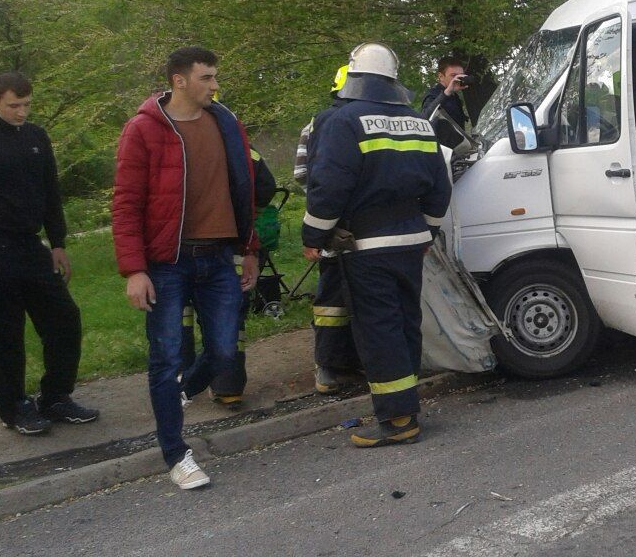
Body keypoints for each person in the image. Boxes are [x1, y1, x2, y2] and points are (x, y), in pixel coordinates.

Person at [112, 46, 259, 489]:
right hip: (166, 263)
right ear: (180, 80)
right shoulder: (143, 129)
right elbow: (126, 204)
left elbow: (245, 190)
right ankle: (176, 455)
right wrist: (134, 270)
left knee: (224, 351)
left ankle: (180, 392)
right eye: (206, 77)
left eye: (214, 77)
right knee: (166, 357)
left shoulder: (226, 123)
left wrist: (250, 248)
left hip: (218, 258)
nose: (215, 85)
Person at [302, 42, 450, 447]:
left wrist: (313, 236)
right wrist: (428, 233)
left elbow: (328, 187)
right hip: (412, 241)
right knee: (404, 322)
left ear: (354, 76)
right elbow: (440, 189)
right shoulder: (419, 122)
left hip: (367, 246)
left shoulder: (344, 121)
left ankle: (399, 419)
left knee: (378, 328)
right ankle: (407, 404)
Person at [0, 72, 96, 433]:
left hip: (32, 244)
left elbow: (50, 192)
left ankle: (56, 396)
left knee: (64, 318)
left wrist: (58, 242)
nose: (21, 112)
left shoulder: (36, 137)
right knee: (7, 333)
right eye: (13, 105)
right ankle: (14, 408)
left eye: (26, 105)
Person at [180, 146, 277, 409]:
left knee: (179, 313)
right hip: (231, 242)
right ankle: (228, 386)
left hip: (178, 247)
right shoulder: (237, 145)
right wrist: (247, 213)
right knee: (228, 314)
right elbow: (266, 185)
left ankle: (181, 381)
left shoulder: (169, 141)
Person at [294, 65, 363, 394]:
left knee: (332, 297)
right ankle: (348, 364)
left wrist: (323, 211)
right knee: (352, 298)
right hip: (364, 228)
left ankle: (330, 367)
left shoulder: (316, 123)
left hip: (331, 227)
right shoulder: (367, 120)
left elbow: (300, 175)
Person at [420, 56, 470, 129]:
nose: (458, 79)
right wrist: (446, 93)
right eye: (453, 75)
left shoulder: (454, 95)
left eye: (461, 75)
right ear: (441, 76)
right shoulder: (433, 95)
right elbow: (423, 119)